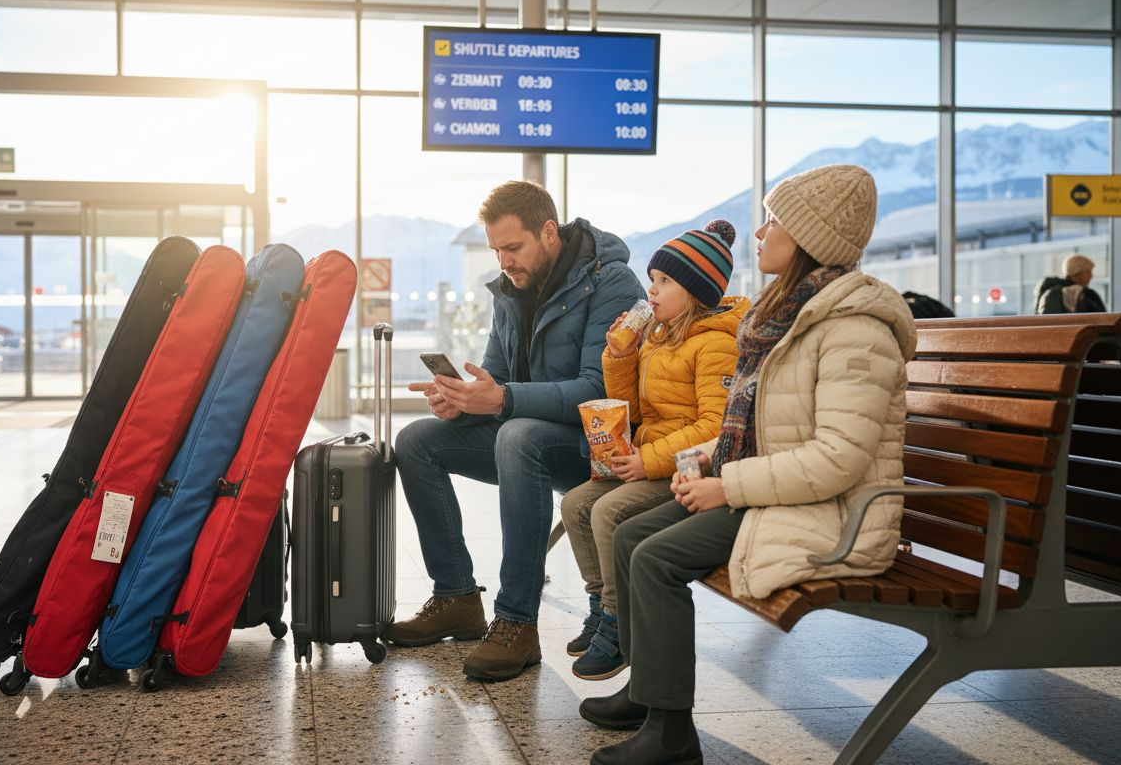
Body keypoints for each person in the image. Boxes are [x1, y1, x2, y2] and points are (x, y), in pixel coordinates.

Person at [579, 164, 917, 765]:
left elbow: (839, 457)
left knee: (653, 557)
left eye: (773, 221)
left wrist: (726, 485)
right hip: (782, 491)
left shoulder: (853, 329)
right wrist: (704, 462)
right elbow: (760, 426)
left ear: (809, 238)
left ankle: (672, 734)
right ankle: (649, 692)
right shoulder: (785, 314)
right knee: (631, 535)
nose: (759, 234)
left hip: (833, 513)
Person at [384, 180, 645, 682]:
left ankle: (517, 623)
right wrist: (463, 401)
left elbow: (600, 390)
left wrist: (501, 399)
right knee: (418, 440)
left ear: (548, 233)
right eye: (496, 249)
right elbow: (496, 379)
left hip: (593, 446)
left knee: (518, 433)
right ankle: (457, 596)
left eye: (512, 247)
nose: (503, 260)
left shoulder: (612, 282)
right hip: (524, 438)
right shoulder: (509, 292)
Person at [560, 220, 748, 682]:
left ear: (696, 291)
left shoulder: (716, 344)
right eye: (654, 279)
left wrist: (651, 460)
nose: (652, 289)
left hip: (684, 466)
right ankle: (600, 604)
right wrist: (619, 357)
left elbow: (715, 426)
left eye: (665, 281)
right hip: (652, 456)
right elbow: (639, 409)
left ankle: (617, 621)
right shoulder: (659, 338)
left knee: (607, 511)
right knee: (575, 503)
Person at [1035, 254, 1107, 314]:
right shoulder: (1081, 294)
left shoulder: (1048, 291)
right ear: (1076, 273)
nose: (1091, 275)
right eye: (1088, 272)